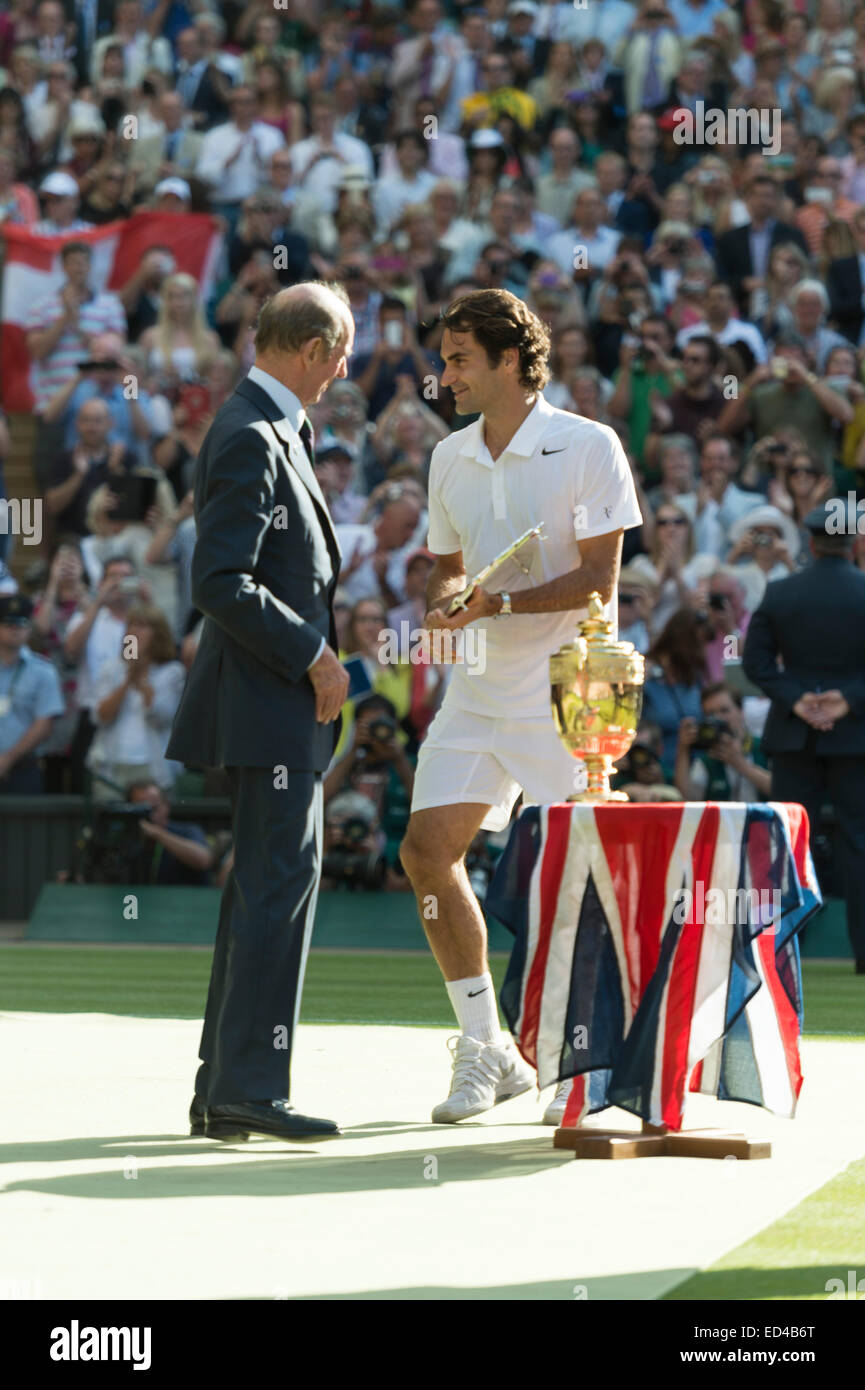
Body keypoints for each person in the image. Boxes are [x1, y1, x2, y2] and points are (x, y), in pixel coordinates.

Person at [398, 288, 642, 1127]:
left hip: (565, 696)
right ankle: (487, 1049)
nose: (446, 373)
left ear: (510, 360)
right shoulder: (448, 457)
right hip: (474, 693)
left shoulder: (587, 444)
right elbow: (444, 565)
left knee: (580, 878)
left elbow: (597, 581)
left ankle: (582, 1060)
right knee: (427, 853)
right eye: (444, 358)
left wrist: (495, 607)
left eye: (460, 358)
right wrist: (444, 604)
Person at [165, 281, 353, 1142]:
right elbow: (220, 583)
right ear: (312, 350)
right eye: (339, 354)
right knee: (276, 891)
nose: (342, 371)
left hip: (267, 712)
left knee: (262, 894)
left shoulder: (260, 425)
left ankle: (226, 1088)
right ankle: (246, 1086)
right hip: (270, 710)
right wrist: (313, 653)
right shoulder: (251, 433)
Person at [743, 499, 865, 972]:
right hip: (854, 737)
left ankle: (776, 949)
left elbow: (753, 664)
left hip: (795, 737)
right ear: (853, 544)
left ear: (811, 543)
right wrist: (847, 699)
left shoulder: (780, 594)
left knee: (785, 844)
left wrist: (797, 698)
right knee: (859, 842)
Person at [87, 601, 185, 799]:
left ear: (157, 633)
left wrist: (143, 681)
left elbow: (162, 716)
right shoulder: (112, 669)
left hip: (152, 765)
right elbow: (100, 716)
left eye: (142, 625)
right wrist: (127, 679)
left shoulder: (172, 672)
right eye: (131, 624)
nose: (134, 630)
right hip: (113, 764)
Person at [0, 593, 65, 795]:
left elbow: (44, 724)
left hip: (24, 768)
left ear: (29, 628)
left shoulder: (43, 671)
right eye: (9, 624)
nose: (15, 629)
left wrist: (7, 759)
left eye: (21, 624)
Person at [674, 680, 771, 801]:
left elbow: (782, 789)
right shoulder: (708, 759)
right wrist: (683, 748)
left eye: (724, 710)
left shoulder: (764, 746)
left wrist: (741, 764)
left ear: (741, 710)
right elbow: (688, 798)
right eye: (710, 714)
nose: (718, 718)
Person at [126, 780, 216, 886]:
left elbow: (204, 860)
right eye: (141, 809)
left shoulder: (187, 830)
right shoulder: (125, 838)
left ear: (166, 806)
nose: (149, 815)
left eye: (154, 808)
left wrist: (158, 834)